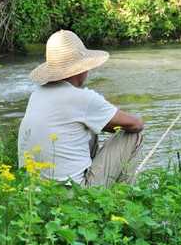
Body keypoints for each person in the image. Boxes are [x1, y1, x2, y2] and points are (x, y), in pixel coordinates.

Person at [18, 30, 144, 187]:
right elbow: (136, 124)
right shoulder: (83, 98)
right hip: (76, 193)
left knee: (91, 129)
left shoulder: (36, 95)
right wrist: (113, 127)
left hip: (36, 192)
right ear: (81, 69)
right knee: (133, 135)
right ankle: (124, 196)